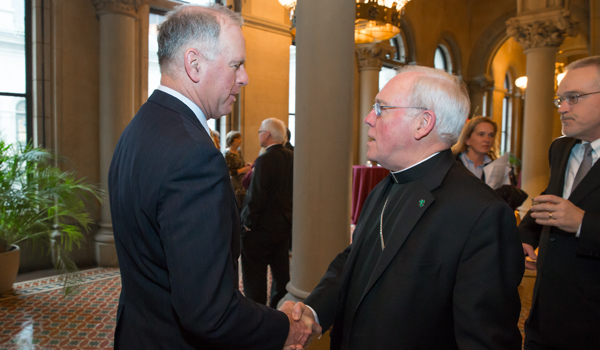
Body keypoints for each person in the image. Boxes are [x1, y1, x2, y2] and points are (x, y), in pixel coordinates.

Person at [108, 4, 317, 349]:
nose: (245, 77)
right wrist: (284, 327)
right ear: (194, 65)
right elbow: (209, 313)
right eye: (236, 64)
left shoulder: (140, 127)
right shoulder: (194, 155)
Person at [292, 65, 524, 349]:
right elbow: (355, 262)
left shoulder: (481, 213)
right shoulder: (384, 186)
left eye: (381, 108)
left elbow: (485, 339)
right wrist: (313, 311)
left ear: (423, 123)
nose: (368, 118)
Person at [518, 56, 600, 349]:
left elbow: (574, 213)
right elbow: (553, 196)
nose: (563, 108)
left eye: (573, 98)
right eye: (560, 99)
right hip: (545, 310)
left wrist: (582, 223)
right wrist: (525, 233)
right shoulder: (561, 147)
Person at [241, 118, 294, 308]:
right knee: (281, 275)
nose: (258, 135)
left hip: (259, 229)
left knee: (254, 277)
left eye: (259, 132)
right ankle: (275, 310)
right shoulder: (292, 157)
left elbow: (256, 196)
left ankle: (256, 313)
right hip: (283, 226)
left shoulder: (264, 159)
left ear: (267, 135)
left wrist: (246, 224)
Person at [453, 116, 527, 210]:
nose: (487, 140)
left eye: (491, 135)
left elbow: (510, 205)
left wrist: (506, 190)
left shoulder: (498, 167)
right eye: (481, 134)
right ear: (467, 139)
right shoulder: (452, 162)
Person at [224, 131, 251, 210]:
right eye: (238, 138)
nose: (240, 140)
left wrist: (246, 167)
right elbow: (227, 171)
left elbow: (239, 166)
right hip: (234, 185)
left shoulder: (238, 152)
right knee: (236, 207)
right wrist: (243, 170)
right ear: (231, 140)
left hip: (241, 184)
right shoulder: (227, 154)